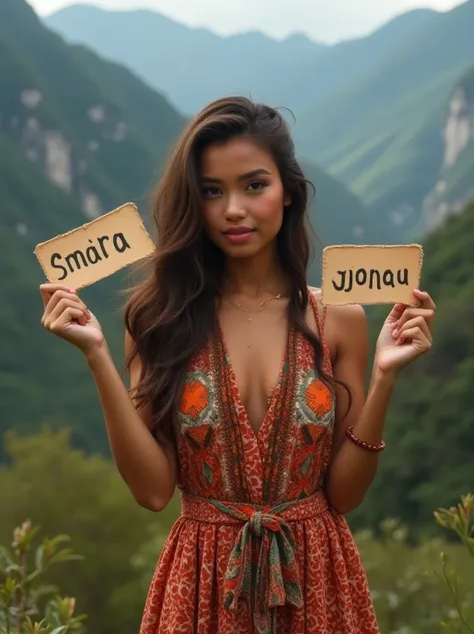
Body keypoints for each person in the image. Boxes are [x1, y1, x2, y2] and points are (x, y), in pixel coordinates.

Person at [39, 96, 436, 634]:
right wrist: (97, 356)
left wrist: (385, 376)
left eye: (254, 185)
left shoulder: (339, 320)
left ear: (288, 192)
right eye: (211, 191)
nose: (233, 209)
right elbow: (154, 492)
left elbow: (344, 495)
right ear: (193, 202)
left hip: (317, 579)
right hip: (201, 583)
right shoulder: (158, 321)